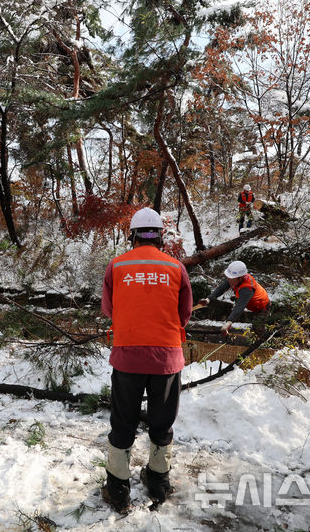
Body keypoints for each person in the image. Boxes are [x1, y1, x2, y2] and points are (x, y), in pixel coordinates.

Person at [100, 207, 193, 512]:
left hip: (128, 357)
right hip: (166, 359)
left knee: (123, 421)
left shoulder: (116, 266)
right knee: (162, 421)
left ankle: (117, 488)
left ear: (133, 235)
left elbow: (109, 310)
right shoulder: (176, 268)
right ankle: (158, 480)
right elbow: (184, 314)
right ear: (160, 236)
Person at [198, 260, 270, 335]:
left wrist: (229, 322)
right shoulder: (233, 279)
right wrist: (208, 299)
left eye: (231, 278)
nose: (229, 280)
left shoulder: (247, 288)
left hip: (262, 306)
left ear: (240, 277)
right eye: (228, 277)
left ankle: (262, 342)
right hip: (249, 302)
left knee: (258, 328)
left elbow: (240, 307)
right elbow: (221, 288)